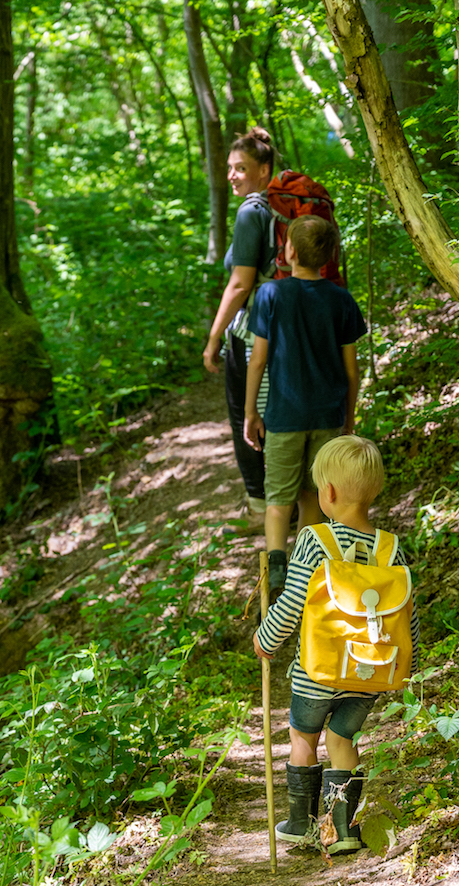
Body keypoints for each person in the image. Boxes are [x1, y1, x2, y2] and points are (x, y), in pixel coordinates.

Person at [253, 436, 419, 854]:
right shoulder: (390, 547)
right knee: (342, 741)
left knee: (303, 737)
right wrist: (404, 664)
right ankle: (341, 831)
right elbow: (405, 616)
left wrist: (266, 638)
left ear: (326, 493)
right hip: (370, 670)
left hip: (319, 669)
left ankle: (300, 823)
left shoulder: (315, 540)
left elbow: (292, 603)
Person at [243, 214, 366, 591]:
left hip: (283, 416)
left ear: (289, 250)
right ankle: (306, 572)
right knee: (313, 494)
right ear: (329, 256)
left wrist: (250, 412)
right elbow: (350, 372)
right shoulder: (341, 299)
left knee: (278, 499)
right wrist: (348, 420)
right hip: (327, 416)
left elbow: (259, 360)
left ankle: (275, 570)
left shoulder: (270, 295)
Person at [203, 127, 278, 527]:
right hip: (287, 324)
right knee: (275, 412)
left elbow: (240, 283)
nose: (233, 175)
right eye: (230, 168)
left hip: (251, 330)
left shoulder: (252, 211)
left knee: (245, 417)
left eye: (242, 168)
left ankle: (261, 505)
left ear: (264, 170)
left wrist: (214, 338)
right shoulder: (281, 208)